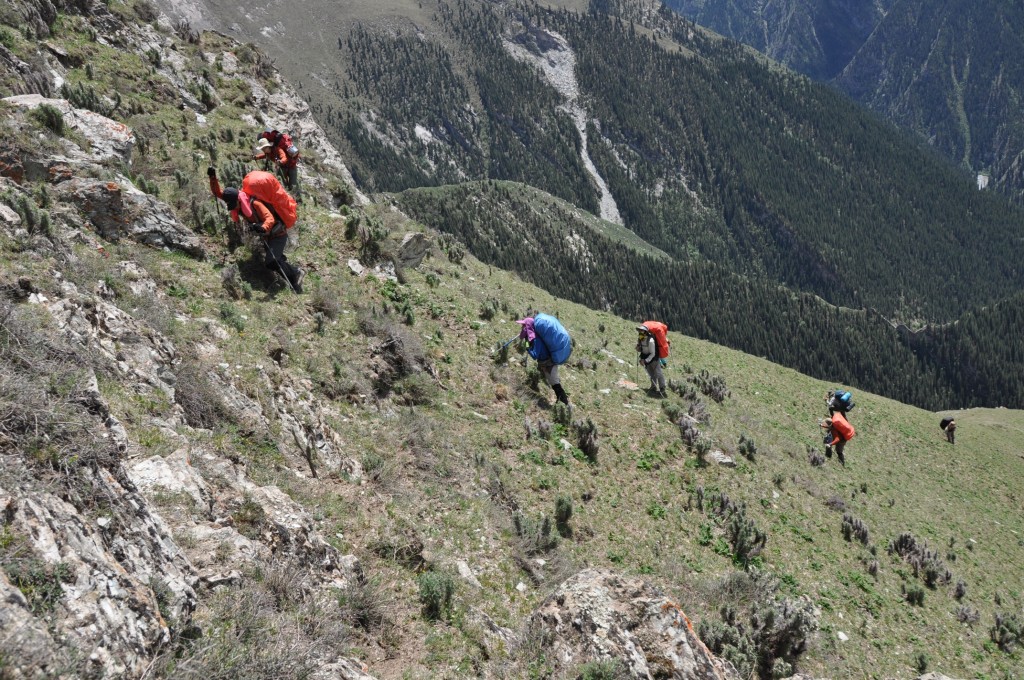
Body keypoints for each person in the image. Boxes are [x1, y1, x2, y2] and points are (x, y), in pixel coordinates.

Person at [208, 166, 304, 293]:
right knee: (275, 260)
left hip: (278, 234)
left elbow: (269, 218)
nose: (233, 208)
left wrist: (262, 228)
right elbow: (218, 193)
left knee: (271, 261)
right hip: (267, 236)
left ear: (238, 199)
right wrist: (212, 178)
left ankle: (296, 274)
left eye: (233, 205)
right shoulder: (239, 204)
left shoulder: (254, 203)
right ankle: (294, 278)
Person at [517, 314, 572, 405]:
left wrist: (527, 345)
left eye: (524, 326)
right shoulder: (536, 336)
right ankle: (561, 401)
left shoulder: (535, 339)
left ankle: (564, 403)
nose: (523, 327)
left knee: (555, 383)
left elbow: (534, 355)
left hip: (548, 363)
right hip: (548, 361)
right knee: (554, 381)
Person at [255, 128, 301, 203]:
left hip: (288, 166)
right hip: (286, 166)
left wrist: (280, 162)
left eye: (263, 148)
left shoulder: (277, 149)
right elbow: (266, 155)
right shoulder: (269, 151)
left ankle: (297, 202)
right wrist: (257, 157)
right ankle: (288, 200)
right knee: (283, 184)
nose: (263, 150)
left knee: (293, 185)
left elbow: (284, 158)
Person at [636, 325, 666, 397]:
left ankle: (662, 387)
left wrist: (645, 361)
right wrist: (638, 348)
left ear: (645, 332)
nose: (640, 332)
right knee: (651, 373)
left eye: (641, 331)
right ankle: (653, 386)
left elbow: (653, 353)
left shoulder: (651, 341)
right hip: (646, 358)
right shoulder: (640, 339)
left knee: (658, 373)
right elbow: (641, 349)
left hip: (654, 358)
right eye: (639, 331)